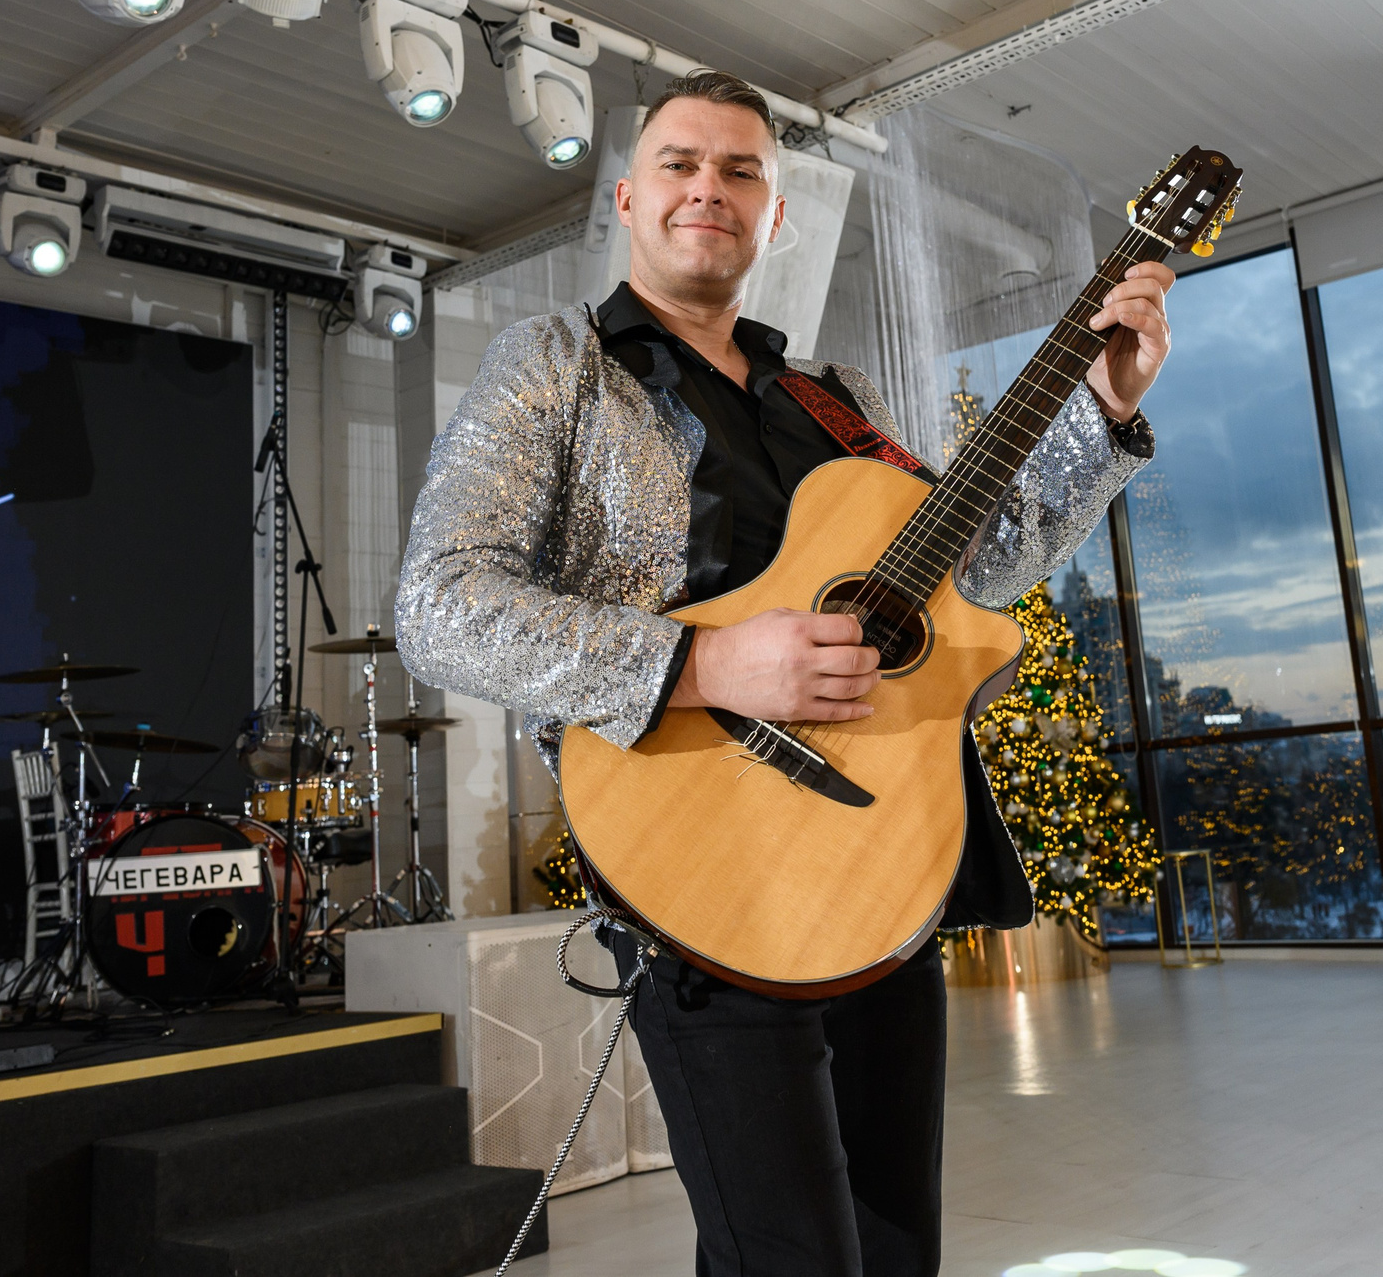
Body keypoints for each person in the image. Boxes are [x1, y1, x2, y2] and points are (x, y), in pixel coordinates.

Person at [397, 69, 1174, 1276]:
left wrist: (1106, 407)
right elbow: (439, 605)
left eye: (742, 169)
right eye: (680, 163)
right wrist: (705, 659)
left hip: (888, 856)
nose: (709, 185)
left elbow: (990, 554)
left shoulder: (837, 399)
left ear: (775, 218)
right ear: (627, 198)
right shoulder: (556, 363)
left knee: (891, 1240)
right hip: (704, 864)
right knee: (790, 1256)